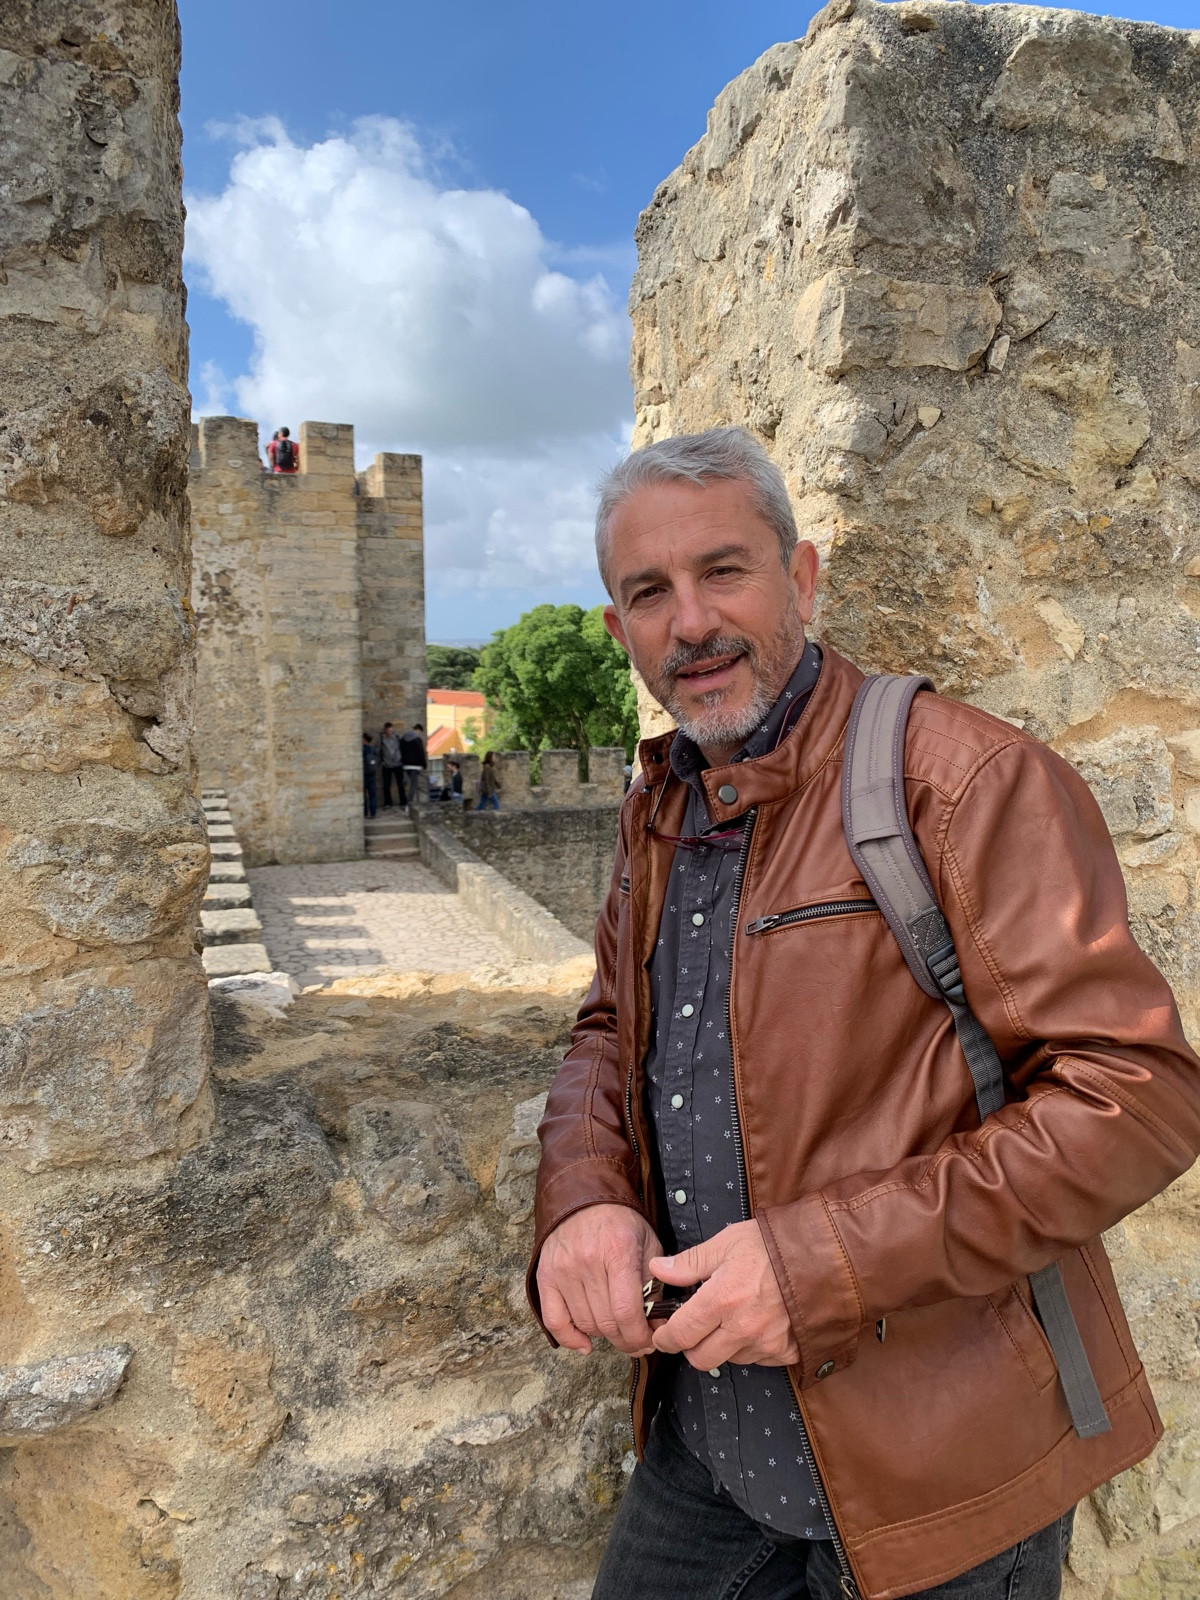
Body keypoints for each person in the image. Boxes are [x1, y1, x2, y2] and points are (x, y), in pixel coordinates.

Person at [528, 427, 1200, 1600]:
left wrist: (819, 1263)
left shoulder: (962, 782)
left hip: (944, 1472)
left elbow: (1136, 1097)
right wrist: (585, 1196)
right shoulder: (663, 804)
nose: (692, 622)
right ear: (617, 627)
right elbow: (608, 1029)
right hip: (710, 1450)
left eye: (724, 570)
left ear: (804, 576)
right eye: (649, 592)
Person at [398, 723, 427, 810]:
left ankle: (404, 802)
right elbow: (421, 753)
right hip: (415, 766)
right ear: (418, 730)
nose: (419, 734)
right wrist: (424, 764)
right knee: (413, 786)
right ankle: (408, 804)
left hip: (405, 765)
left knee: (405, 784)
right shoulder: (417, 740)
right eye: (420, 732)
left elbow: (400, 751)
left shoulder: (403, 739)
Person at [379, 722, 403, 809]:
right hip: (386, 764)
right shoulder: (382, 739)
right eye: (388, 731)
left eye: (391, 730)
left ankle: (403, 802)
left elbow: (401, 748)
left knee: (400, 784)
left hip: (397, 763)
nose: (390, 732)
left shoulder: (397, 738)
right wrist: (382, 762)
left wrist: (400, 759)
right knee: (386, 785)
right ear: (385, 731)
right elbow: (380, 750)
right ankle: (388, 803)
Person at [361, 731, 379, 819]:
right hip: (372, 774)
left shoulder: (362, 750)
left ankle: (364, 812)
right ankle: (373, 813)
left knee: (363, 795)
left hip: (363, 775)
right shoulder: (373, 749)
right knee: (373, 795)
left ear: (364, 739)